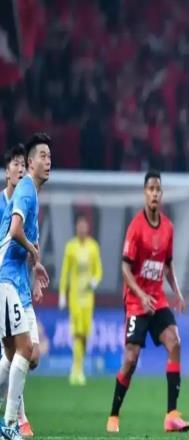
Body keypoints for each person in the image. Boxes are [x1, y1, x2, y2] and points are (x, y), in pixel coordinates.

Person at [106, 171, 189, 433]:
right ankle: (114, 415)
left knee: (175, 342)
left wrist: (177, 292)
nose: (154, 193)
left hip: (158, 300)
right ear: (145, 193)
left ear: (161, 194)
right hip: (136, 302)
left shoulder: (168, 228)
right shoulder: (135, 227)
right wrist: (141, 295)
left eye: (158, 189)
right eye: (151, 189)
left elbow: (167, 265)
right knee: (130, 360)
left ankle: (171, 415)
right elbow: (125, 268)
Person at [0, 133, 51, 440]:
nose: (48, 161)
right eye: (43, 156)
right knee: (25, 349)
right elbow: (16, 230)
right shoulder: (26, 190)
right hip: (6, 279)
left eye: (50, 156)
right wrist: (33, 251)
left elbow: (26, 242)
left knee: (16, 356)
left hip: (15, 281)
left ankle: (9, 424)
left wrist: (35, 267)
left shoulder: (32, 193)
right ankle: (10, 424)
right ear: (31, 163)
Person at [59, 213, 103, 386]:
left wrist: (95, 281)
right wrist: (62, 294)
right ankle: (76, 370)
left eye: (85, 225)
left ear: (87, 227)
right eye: (80, 225)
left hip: (88, 298)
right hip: (75, 297)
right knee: (76, 332)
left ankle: (79, 365)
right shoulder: (71, 247)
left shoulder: (93, 246)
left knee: (85, 334)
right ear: (76, 227)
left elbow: (98, 270)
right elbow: (65, 272)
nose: (82, 228)